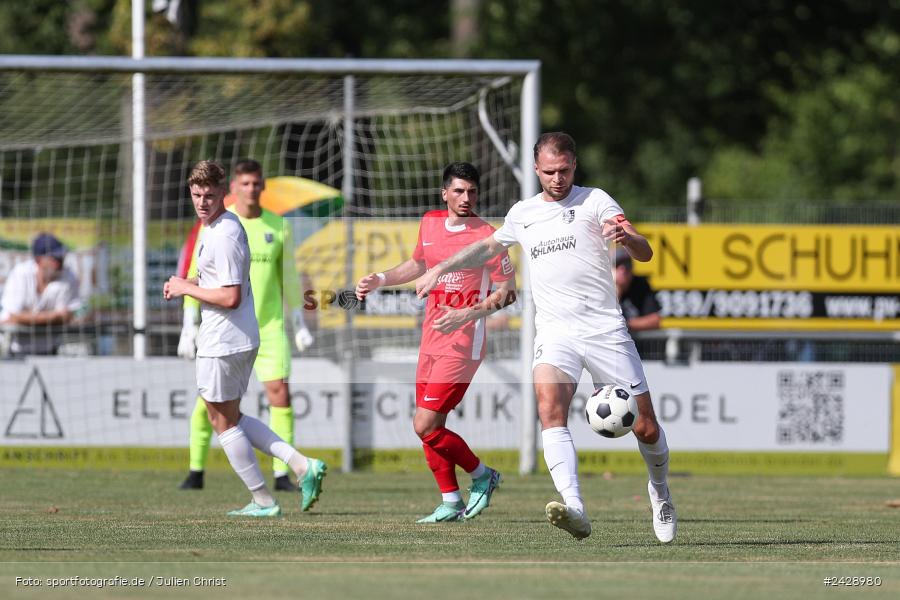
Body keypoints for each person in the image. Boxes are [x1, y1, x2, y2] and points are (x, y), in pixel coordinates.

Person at [416, 133, 677, 543]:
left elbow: (645, 252)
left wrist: (627, 237)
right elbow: (485, 247)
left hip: (604, 328)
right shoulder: (524, 213)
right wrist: (437, 269)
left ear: (575, 166)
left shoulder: (596, 201)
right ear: (537, 169)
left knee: (645, 427)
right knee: (549, 408)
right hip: (556, 332)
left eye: (565, 170)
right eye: (550, 172)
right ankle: (574, 507)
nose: (558, 179)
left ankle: (660, 493)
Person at [355, 162, 517, 523]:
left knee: (424, 425)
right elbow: (417, 264)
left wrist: (468, 314)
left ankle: (483, 476)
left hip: (464, 342)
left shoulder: (488, 236)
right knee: (430, 428)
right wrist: (380, 278)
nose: (466, 198)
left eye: (472, 192)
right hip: (430, 338)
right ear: (444, 193)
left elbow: (508, 293)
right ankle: (450, 500)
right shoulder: (429, 223)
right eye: (459, 191)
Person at [164, 160, 320, 517]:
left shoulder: (225, 233)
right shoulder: (216, 226)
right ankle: (300, 466)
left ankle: (264, 499)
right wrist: (190, 321)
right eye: (196, 195)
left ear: (224, 193)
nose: (202, 201)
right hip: (233, 335)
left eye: (209, 195)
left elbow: (230, 295)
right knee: (229, 416)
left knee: (221, 420)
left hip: (226, 338)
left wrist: (184, 287)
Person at [1, 233, 83, 355]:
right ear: (39, 260)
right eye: (55, 258)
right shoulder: (21, 274)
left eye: (62, 257)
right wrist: (53, 316)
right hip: (12, 351)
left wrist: (26, 318)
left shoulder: (68, 277)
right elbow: (13, 316)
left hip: (49, 351)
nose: (61, 262)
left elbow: (67, 316)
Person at [615, 246, 661, 332]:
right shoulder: (602, 286)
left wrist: (624, 324)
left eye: (627, 265)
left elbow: (655, 320)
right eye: (617, 265)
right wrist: (617, 290)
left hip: (637, 344)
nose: (623, 270)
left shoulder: (640, 285)